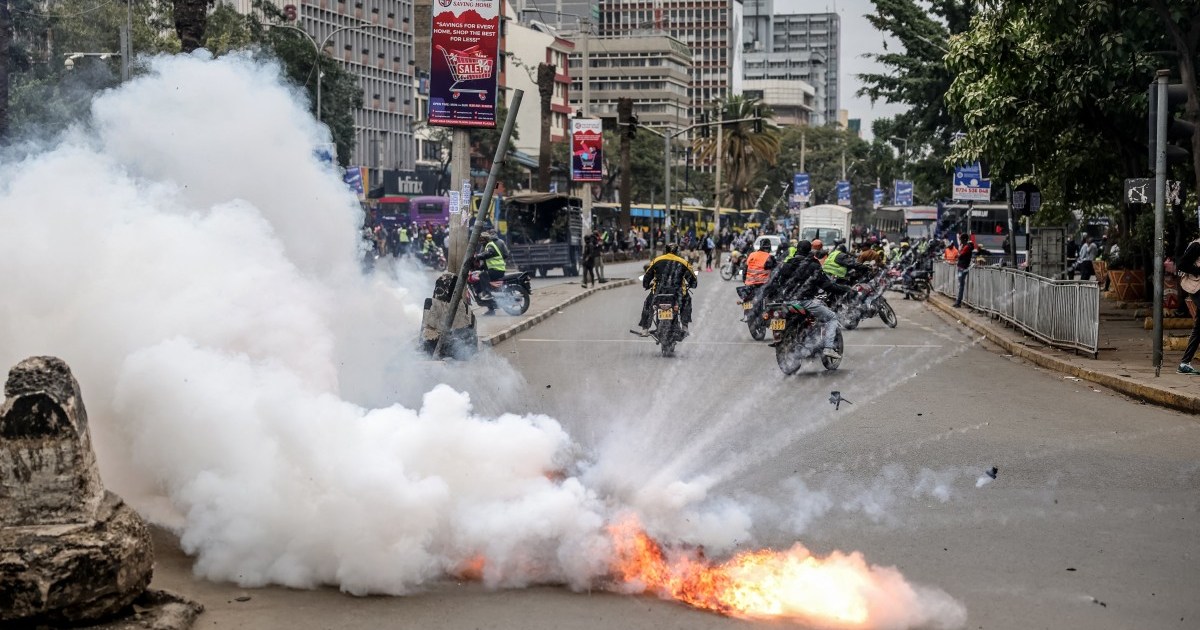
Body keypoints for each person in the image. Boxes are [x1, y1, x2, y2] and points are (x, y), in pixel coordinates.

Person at [761, 239, 851, 359]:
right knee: (832, 317)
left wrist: (771, 296)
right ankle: (828, 348)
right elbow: (827, 285)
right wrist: (845, 290)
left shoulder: (786, 265)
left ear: (797, 250)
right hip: (805, 302)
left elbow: (775, 284)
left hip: (786, 302)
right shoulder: (813, 265)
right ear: (810, 250)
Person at [631, 244, 698, 337]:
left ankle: (645, 329)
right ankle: (685, 326)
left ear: (665, 251)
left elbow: (647, 276)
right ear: (677, 252)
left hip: (659, 292)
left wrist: (646, 285)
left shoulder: (656, 260)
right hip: (677, 293)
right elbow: (693, 281)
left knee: (648, 304)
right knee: (687, 301)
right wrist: (692, 284)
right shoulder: (683, 262)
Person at [1176, 236, 1200, 374]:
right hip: (1196, 287)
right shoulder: (1197, 246)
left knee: (1198, 327)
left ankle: (1185, 363)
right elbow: (1182, 264)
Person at [471, 230, 507, 315]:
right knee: (481, 275)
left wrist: (477, 256)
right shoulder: (486, 245)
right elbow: (488, 261)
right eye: (480, 240)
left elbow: (489, 253)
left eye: (482, 239)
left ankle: (487, 293)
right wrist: (479, 266)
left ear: (486, 239)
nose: (480, 241)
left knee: (483, 275)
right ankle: (491, 308)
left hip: (497, 269)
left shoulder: (490, 245)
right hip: (495, 269)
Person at [953, 234, 975, 308]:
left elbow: (960, 255)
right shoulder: (966, 246)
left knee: (960, 286)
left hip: (962, 268)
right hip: (962, 267)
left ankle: (958, 302)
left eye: (961, 239)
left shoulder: (967, 247)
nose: (960, 241)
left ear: (965, 239)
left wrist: (958, 255)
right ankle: (958, 301)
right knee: (960, 285)